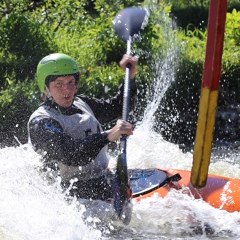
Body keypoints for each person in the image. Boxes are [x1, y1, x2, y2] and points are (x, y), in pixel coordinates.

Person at [28, 53, 138, 201]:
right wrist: (106, 136)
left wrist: (129, 77)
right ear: (46, 88)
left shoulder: (82, 103)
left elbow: (119, 107)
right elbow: (69, 154)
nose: (67, 90)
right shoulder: (41, 122)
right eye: (59, 84)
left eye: (71, 82)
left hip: (100, 179)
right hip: (67, 193)